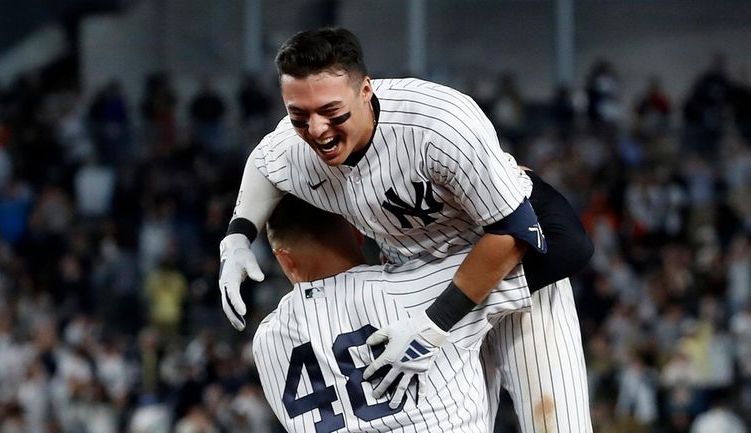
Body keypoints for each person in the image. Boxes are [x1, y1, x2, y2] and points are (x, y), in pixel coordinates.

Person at [220, 27, 594, 433]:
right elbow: (263, 163)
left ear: (366, 90)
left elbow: (534, 233)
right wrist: (238, 235)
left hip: (506, 270)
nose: (316, 130)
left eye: (331, 112)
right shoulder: (295, 146)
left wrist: (435, 322)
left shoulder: (436, 123)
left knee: (557, 425)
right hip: (415, 287)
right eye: (298, 116)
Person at [253, 194, 533, 432]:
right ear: (359, 232)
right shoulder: (415, 285)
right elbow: (537, 241)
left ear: (284, 258)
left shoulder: (266, 341)